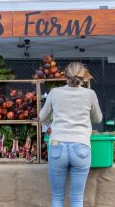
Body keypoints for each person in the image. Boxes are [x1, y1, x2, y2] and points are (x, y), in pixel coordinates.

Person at [40, 62, 102, 207]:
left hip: (57, 145)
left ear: (64, 74)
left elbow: (42, 116)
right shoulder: (90, 94)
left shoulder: (54, 92)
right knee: (77, 198)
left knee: (57, 197)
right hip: (81, 146)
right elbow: (98, 119)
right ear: (84, 77)